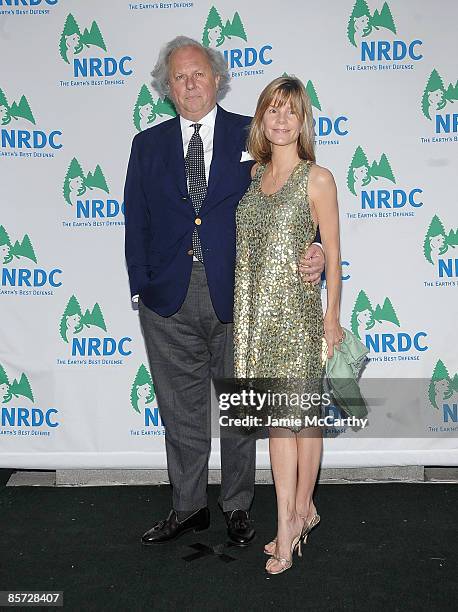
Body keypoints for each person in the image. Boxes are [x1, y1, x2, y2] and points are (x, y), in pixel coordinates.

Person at [124, 37, 325, 546]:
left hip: (241, 297)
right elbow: (136, 222)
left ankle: (238, 506)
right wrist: (139, 288)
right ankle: (189, 508)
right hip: (166, 299)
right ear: (167, 89)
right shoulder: (145, 146)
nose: (190, 84)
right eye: (179, 77)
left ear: (217, 78)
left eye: (198, 74)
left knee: (242, 408)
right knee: (180, 412)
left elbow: (295, 191)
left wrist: (317, 250)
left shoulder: (253, 134)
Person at [233, 76, 343, 573]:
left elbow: (334, 255)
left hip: (298, 318)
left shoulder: (316, 178)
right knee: (281, 426)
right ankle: (295, 515)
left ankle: (293, 520)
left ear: (302, 122)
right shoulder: (253, 176)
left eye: (290, 111)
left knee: (302, 422)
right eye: (273, 109)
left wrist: (332, 318)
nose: (280, 119)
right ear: (262, 117)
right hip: (257, 320)